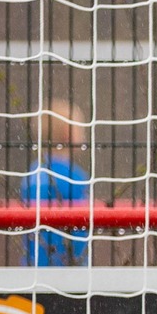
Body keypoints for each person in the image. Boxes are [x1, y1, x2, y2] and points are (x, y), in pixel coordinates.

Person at [23, 99, 91, 267]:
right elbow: (83, 224)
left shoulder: (33, 173)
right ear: (68, 134)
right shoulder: (74, 177)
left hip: (35, 263)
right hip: (69, 264)